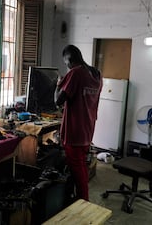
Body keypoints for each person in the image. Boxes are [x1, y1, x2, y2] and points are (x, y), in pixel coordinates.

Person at [54, 44, 102, 201]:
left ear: (69, 59)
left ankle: (84, 201)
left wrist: (58, 85)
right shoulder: (95, 73)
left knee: (78, 170)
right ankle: (74, 198)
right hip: (88, 128)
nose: (66, 66)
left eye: (66, 62)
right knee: (80, 165)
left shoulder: (76, 73)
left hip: (75, 131)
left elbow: (58, 101)